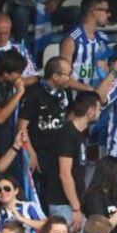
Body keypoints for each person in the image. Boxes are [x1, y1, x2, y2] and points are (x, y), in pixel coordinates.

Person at [42, 91, 101, 232]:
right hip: (63, 205)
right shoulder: (68, 134)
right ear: (91, 112)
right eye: (99, 109)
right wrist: (75, 208)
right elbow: (65, 173)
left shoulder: (78, 134)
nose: (100, 112)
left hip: (71, 205)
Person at [18, 57, 78, 186]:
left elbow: (70, 113)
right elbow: (21, 127)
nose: (71, 78)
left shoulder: (66, 90)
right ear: (55, 76)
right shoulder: (34, 93)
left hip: (60, 150)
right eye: (68, 74)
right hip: (40, 151)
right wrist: (31, 153)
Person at [59, 0, 111, 87]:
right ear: (94, 12)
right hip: (77, 98)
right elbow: (63, 77)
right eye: (106, 11)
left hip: (99, 96)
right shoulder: (71, 40)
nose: (109, 14)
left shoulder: (103, 40)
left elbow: (105, 71)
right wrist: (88, 90)